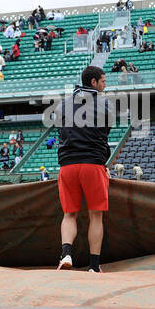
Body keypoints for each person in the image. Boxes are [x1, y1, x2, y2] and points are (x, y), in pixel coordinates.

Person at [54, 65, 112, 272]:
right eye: (103, 81)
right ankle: (94, 266)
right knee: (96, 215)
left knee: (69, 214)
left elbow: (61, 133)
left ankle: (66, 254)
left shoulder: (62, 105)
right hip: (93, 165)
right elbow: (104, 135)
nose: (106, 85)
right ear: (94, 82)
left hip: (67, 166)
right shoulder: (105, 104)